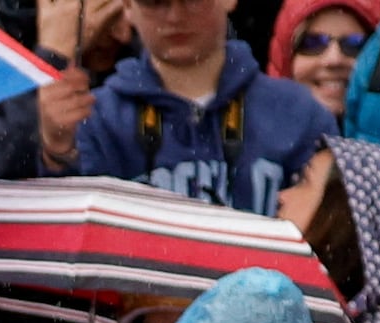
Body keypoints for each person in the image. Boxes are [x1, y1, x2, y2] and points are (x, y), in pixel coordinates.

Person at [73, 0, 340, 211]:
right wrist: (54, 149)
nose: (175, 16)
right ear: (128, 7)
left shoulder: (300, 113)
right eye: (154, 1)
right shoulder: (96, 119)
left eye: (193, 0)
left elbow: (329, 236)